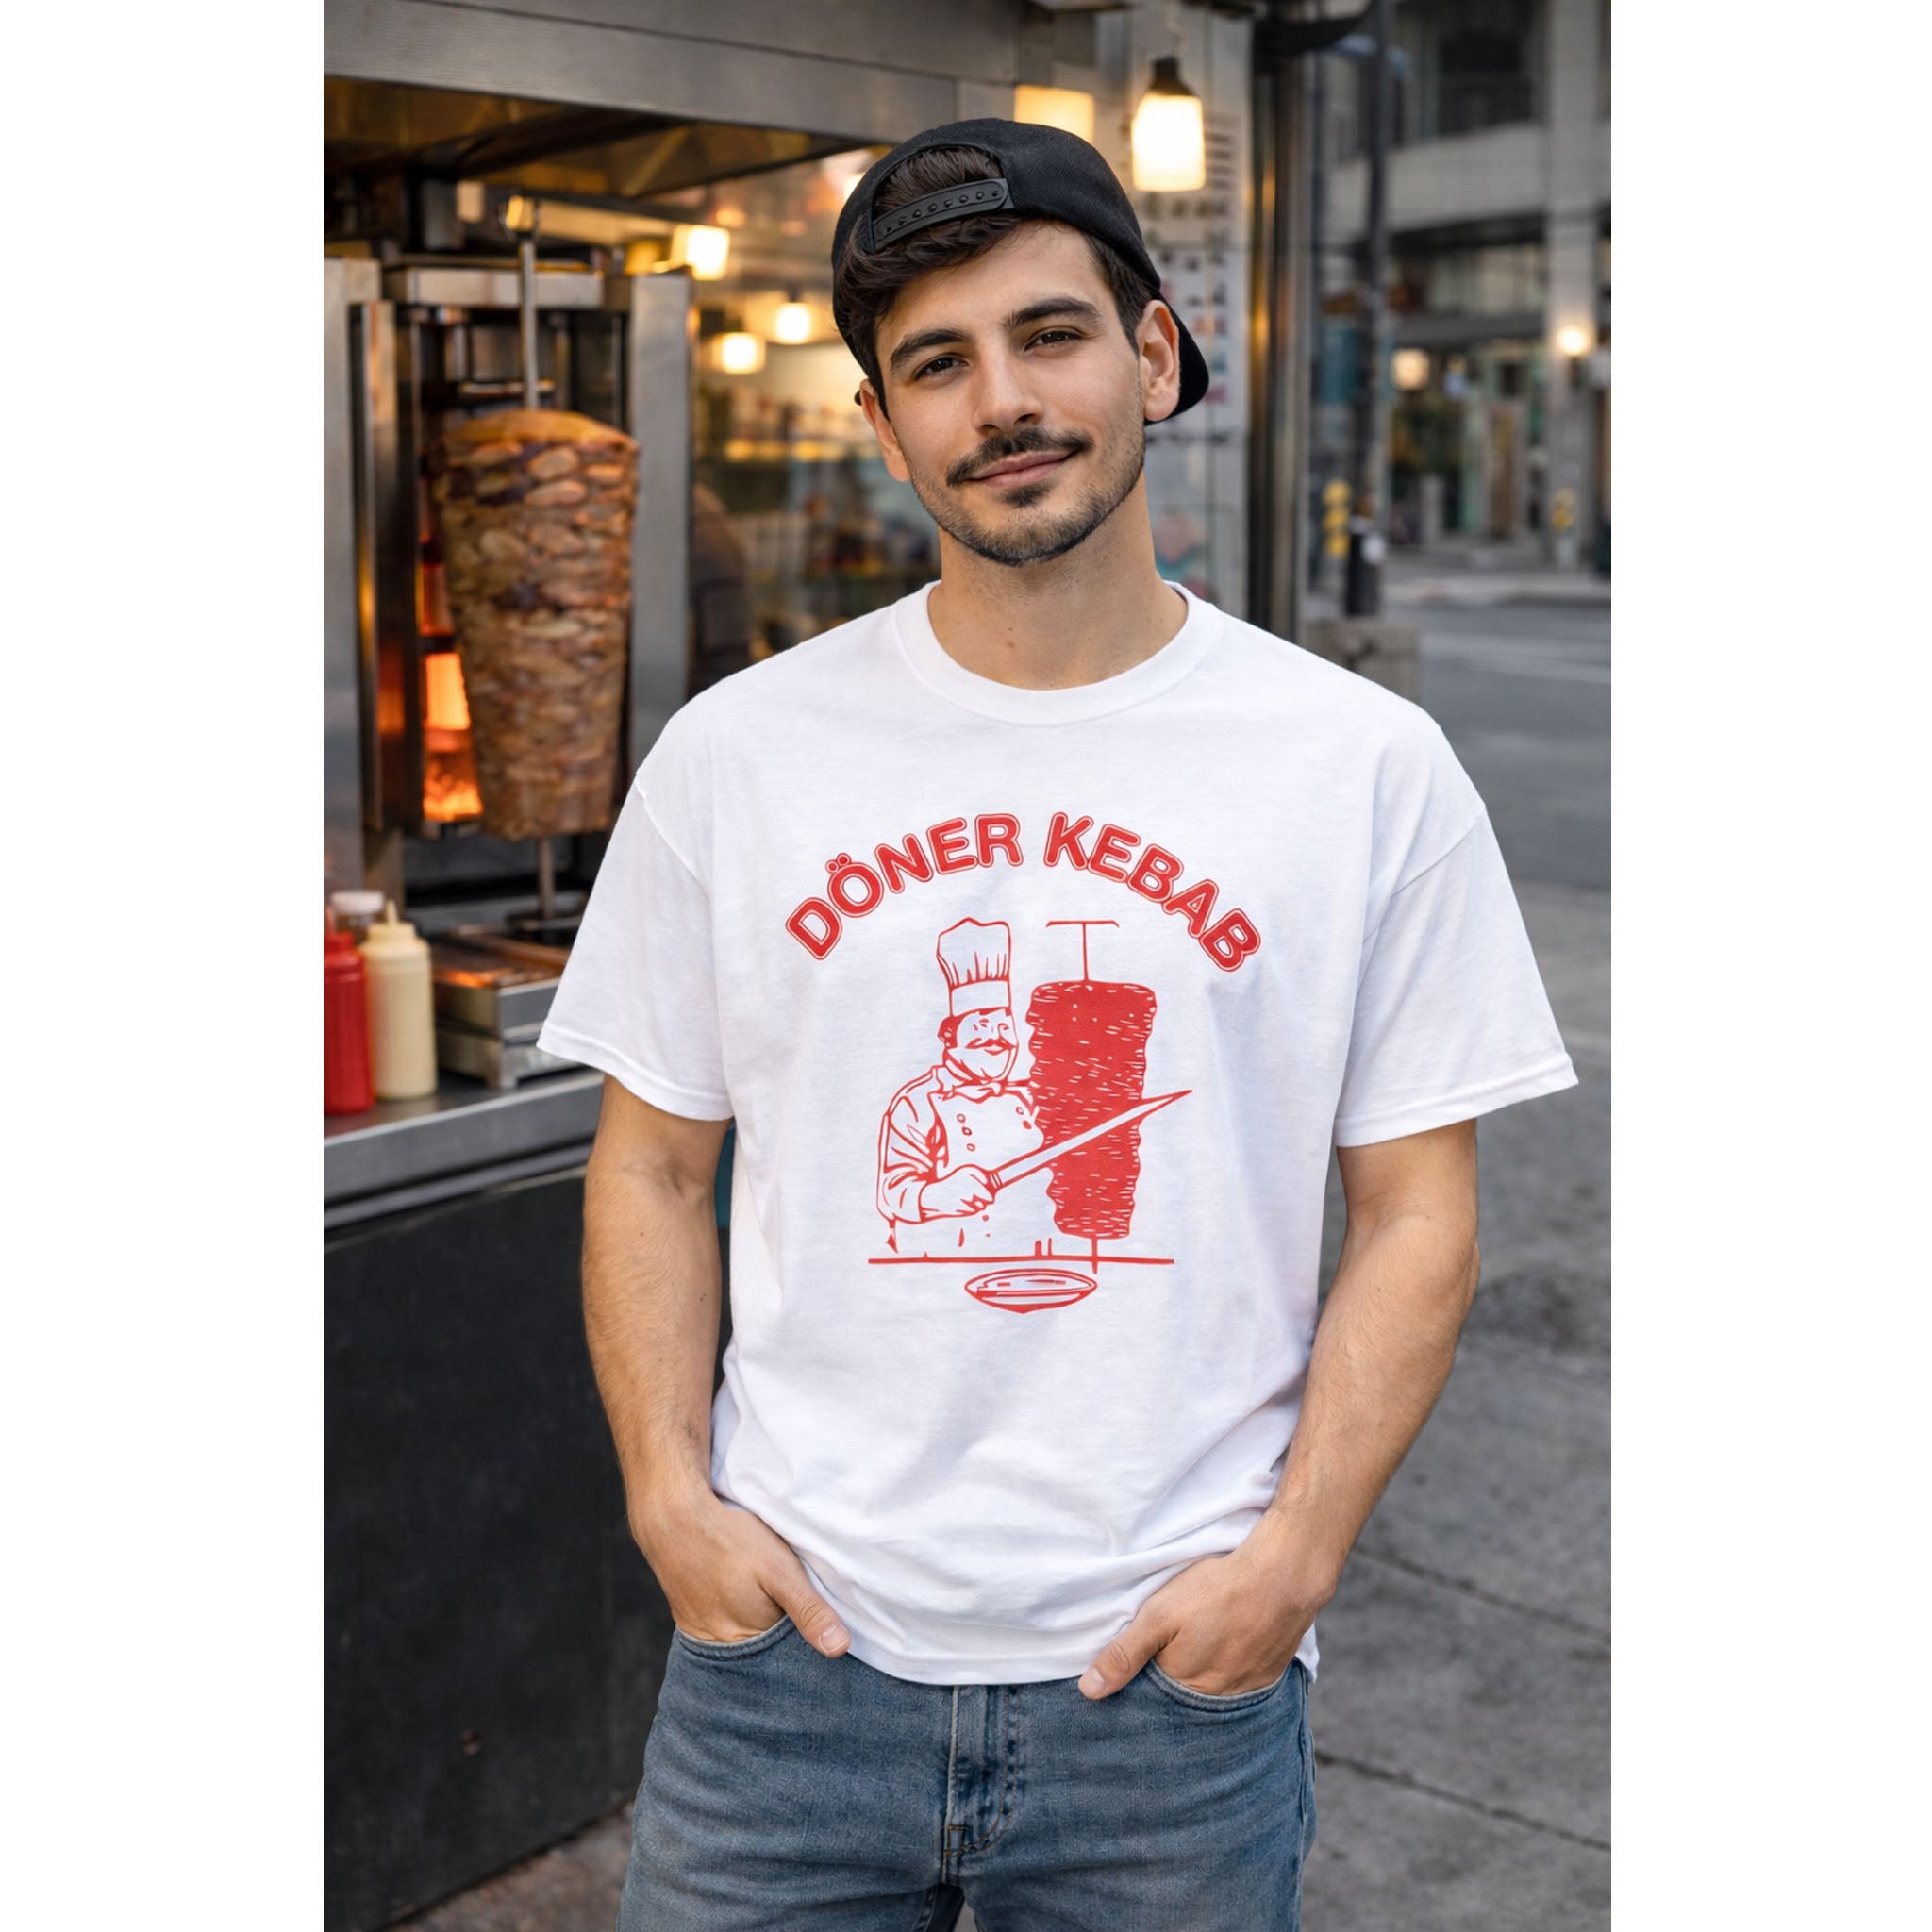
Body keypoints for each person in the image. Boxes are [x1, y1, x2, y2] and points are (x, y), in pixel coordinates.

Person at [538, 118, 1576, 1932]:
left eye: (1049, 335)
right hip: (786, 1667)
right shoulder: (738, 755)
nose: (1001, 399)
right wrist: (665, 1502)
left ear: (1154, 355)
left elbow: (1420, 1212)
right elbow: (651, 1169)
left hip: (1167, 1695)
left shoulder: (1358, 767)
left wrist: (1294, 1565)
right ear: (885, 426)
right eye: (936, 363)